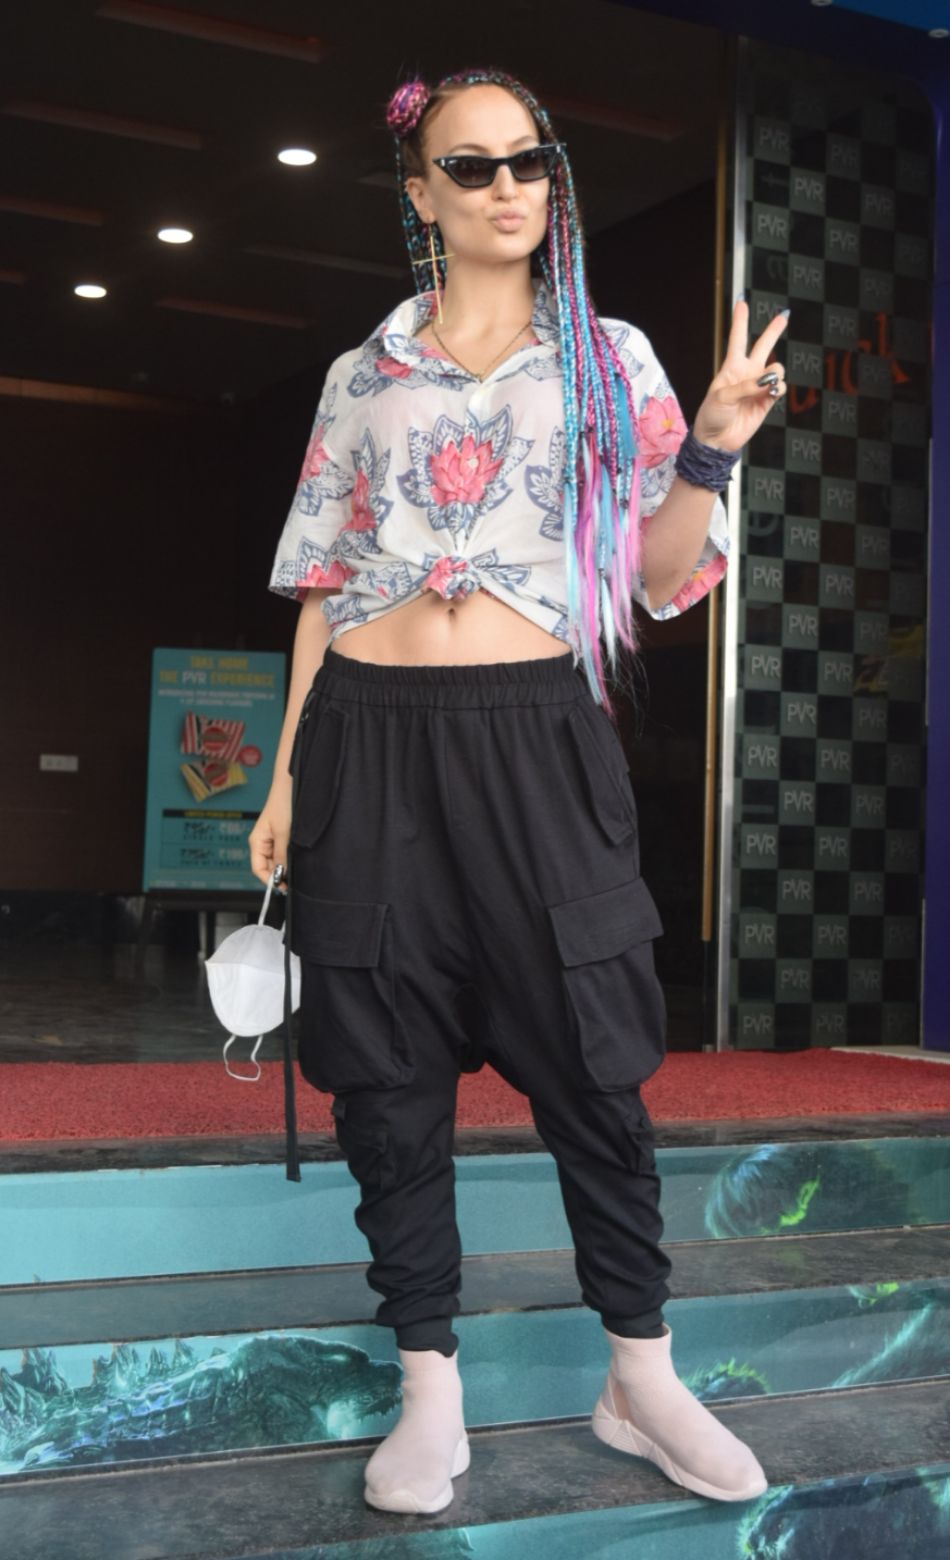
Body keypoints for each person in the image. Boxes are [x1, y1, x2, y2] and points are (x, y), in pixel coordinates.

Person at [249, 65, 787, 1518]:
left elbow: (662, 577)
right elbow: (322, 587)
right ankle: (430, 1388)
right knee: (385, 1073)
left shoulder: (610, 359)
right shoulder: (361, 376)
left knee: (595, 1063)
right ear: (419, 192)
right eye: (470, 165)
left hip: (536, 733)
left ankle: (640, 1377)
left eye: (528, 161)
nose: (506, 188)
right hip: (367, 737)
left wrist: (713, 446)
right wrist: (287, 776)